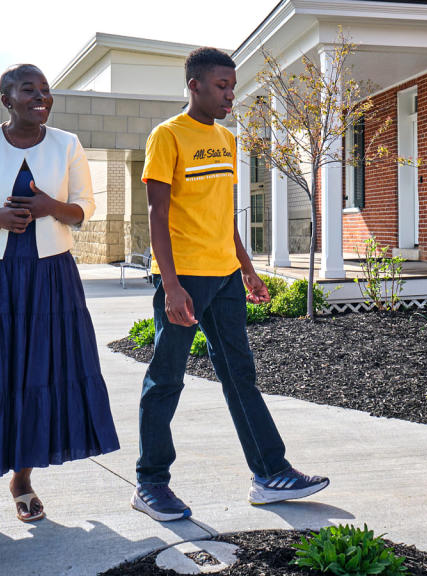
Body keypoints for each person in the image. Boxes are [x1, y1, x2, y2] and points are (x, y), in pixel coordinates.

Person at [132, 47, 328, 521]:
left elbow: (224, 213)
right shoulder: (167, 136)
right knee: (166, 378)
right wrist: (171, 284)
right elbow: (157, 215)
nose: (230, 95)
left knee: (240, 376)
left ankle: (270, 473)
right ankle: (150, 483)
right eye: (221, 86)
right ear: (194, 85)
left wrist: (246, 266)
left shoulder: (226, 139)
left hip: (224, 277)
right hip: (185, 279)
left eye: (232, 86)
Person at [0, 64, 120, 522]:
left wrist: (50, 207)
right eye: (28, 90)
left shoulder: (66, 144)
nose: (41, 97)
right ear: (6, 100)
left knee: (38, 375)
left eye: (46, 91)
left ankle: (23, 479)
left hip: (50, 277)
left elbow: (84, 208)